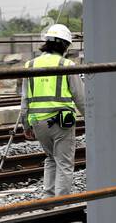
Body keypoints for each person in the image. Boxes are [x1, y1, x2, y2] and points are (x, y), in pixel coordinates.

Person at [17, 23, 85, 198]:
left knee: (50, 159)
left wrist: (26, 125)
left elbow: (25, 99)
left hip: (38, 123)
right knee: (64, 162)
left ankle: (48, 198)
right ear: (64, 45)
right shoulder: (67, 64)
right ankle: (62, 201)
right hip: (61, 122)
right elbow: (80, 97)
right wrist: (91, 118)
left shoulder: (29, 65)